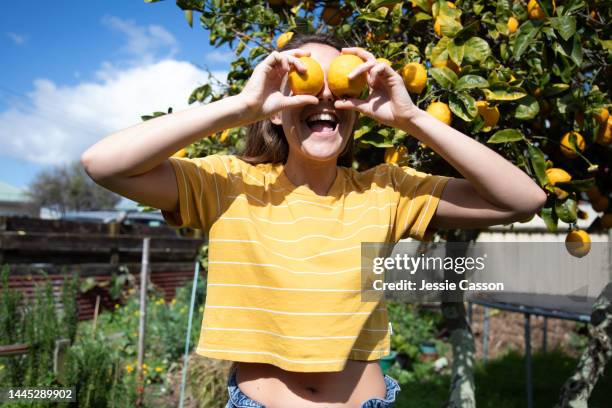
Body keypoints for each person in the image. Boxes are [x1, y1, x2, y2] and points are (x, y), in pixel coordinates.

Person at [81, 33, 546, 407]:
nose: (325, 95)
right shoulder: (228, 184)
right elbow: (104, 163)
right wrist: (240, 107)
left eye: (339, 85)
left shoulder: (388, 189)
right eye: (305, 82)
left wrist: (411, 118)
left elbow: (522, 199)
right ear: (278, 108)